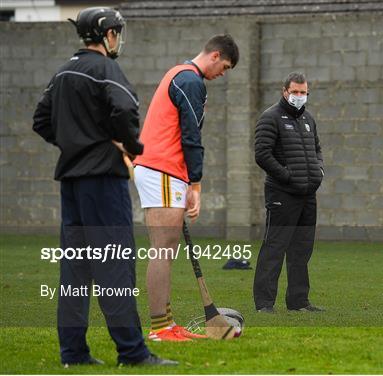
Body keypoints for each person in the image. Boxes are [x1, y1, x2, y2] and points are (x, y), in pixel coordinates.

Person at [32, 7, 176, 366]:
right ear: (107, 34)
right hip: (103, 183)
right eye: (117, 32)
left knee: (75, 268)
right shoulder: (106, 70)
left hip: (72, 182)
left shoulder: (62, 73)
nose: (119, 39)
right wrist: (130, 146)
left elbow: (41, 120)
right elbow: (125, 112)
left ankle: (74, 353)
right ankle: (132, 352)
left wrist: (75, 143)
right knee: (115, 265)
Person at [133, 34, 239, 341]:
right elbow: (192, 136)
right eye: (226, 67)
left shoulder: (178, 74)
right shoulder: (191, 81)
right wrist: (196, 184)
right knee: (162, 249)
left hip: (161, 169)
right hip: (163, 168)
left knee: (166, 248)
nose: (223, 74)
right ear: (215, 55)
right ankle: (160, 328)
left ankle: (166, 324)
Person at [253, 72, 324, 313]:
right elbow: (262, 154)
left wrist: (319, 172)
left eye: (303, 92)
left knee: (302, 249)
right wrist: (287, 176)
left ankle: (298, 302)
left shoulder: (309, 120)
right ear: (285, 91)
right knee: (274, 248)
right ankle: (264, 304)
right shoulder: (270, 117)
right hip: (281, 194)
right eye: (295, 92)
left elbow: (317, 150)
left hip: (308, 195)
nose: (299, 96)